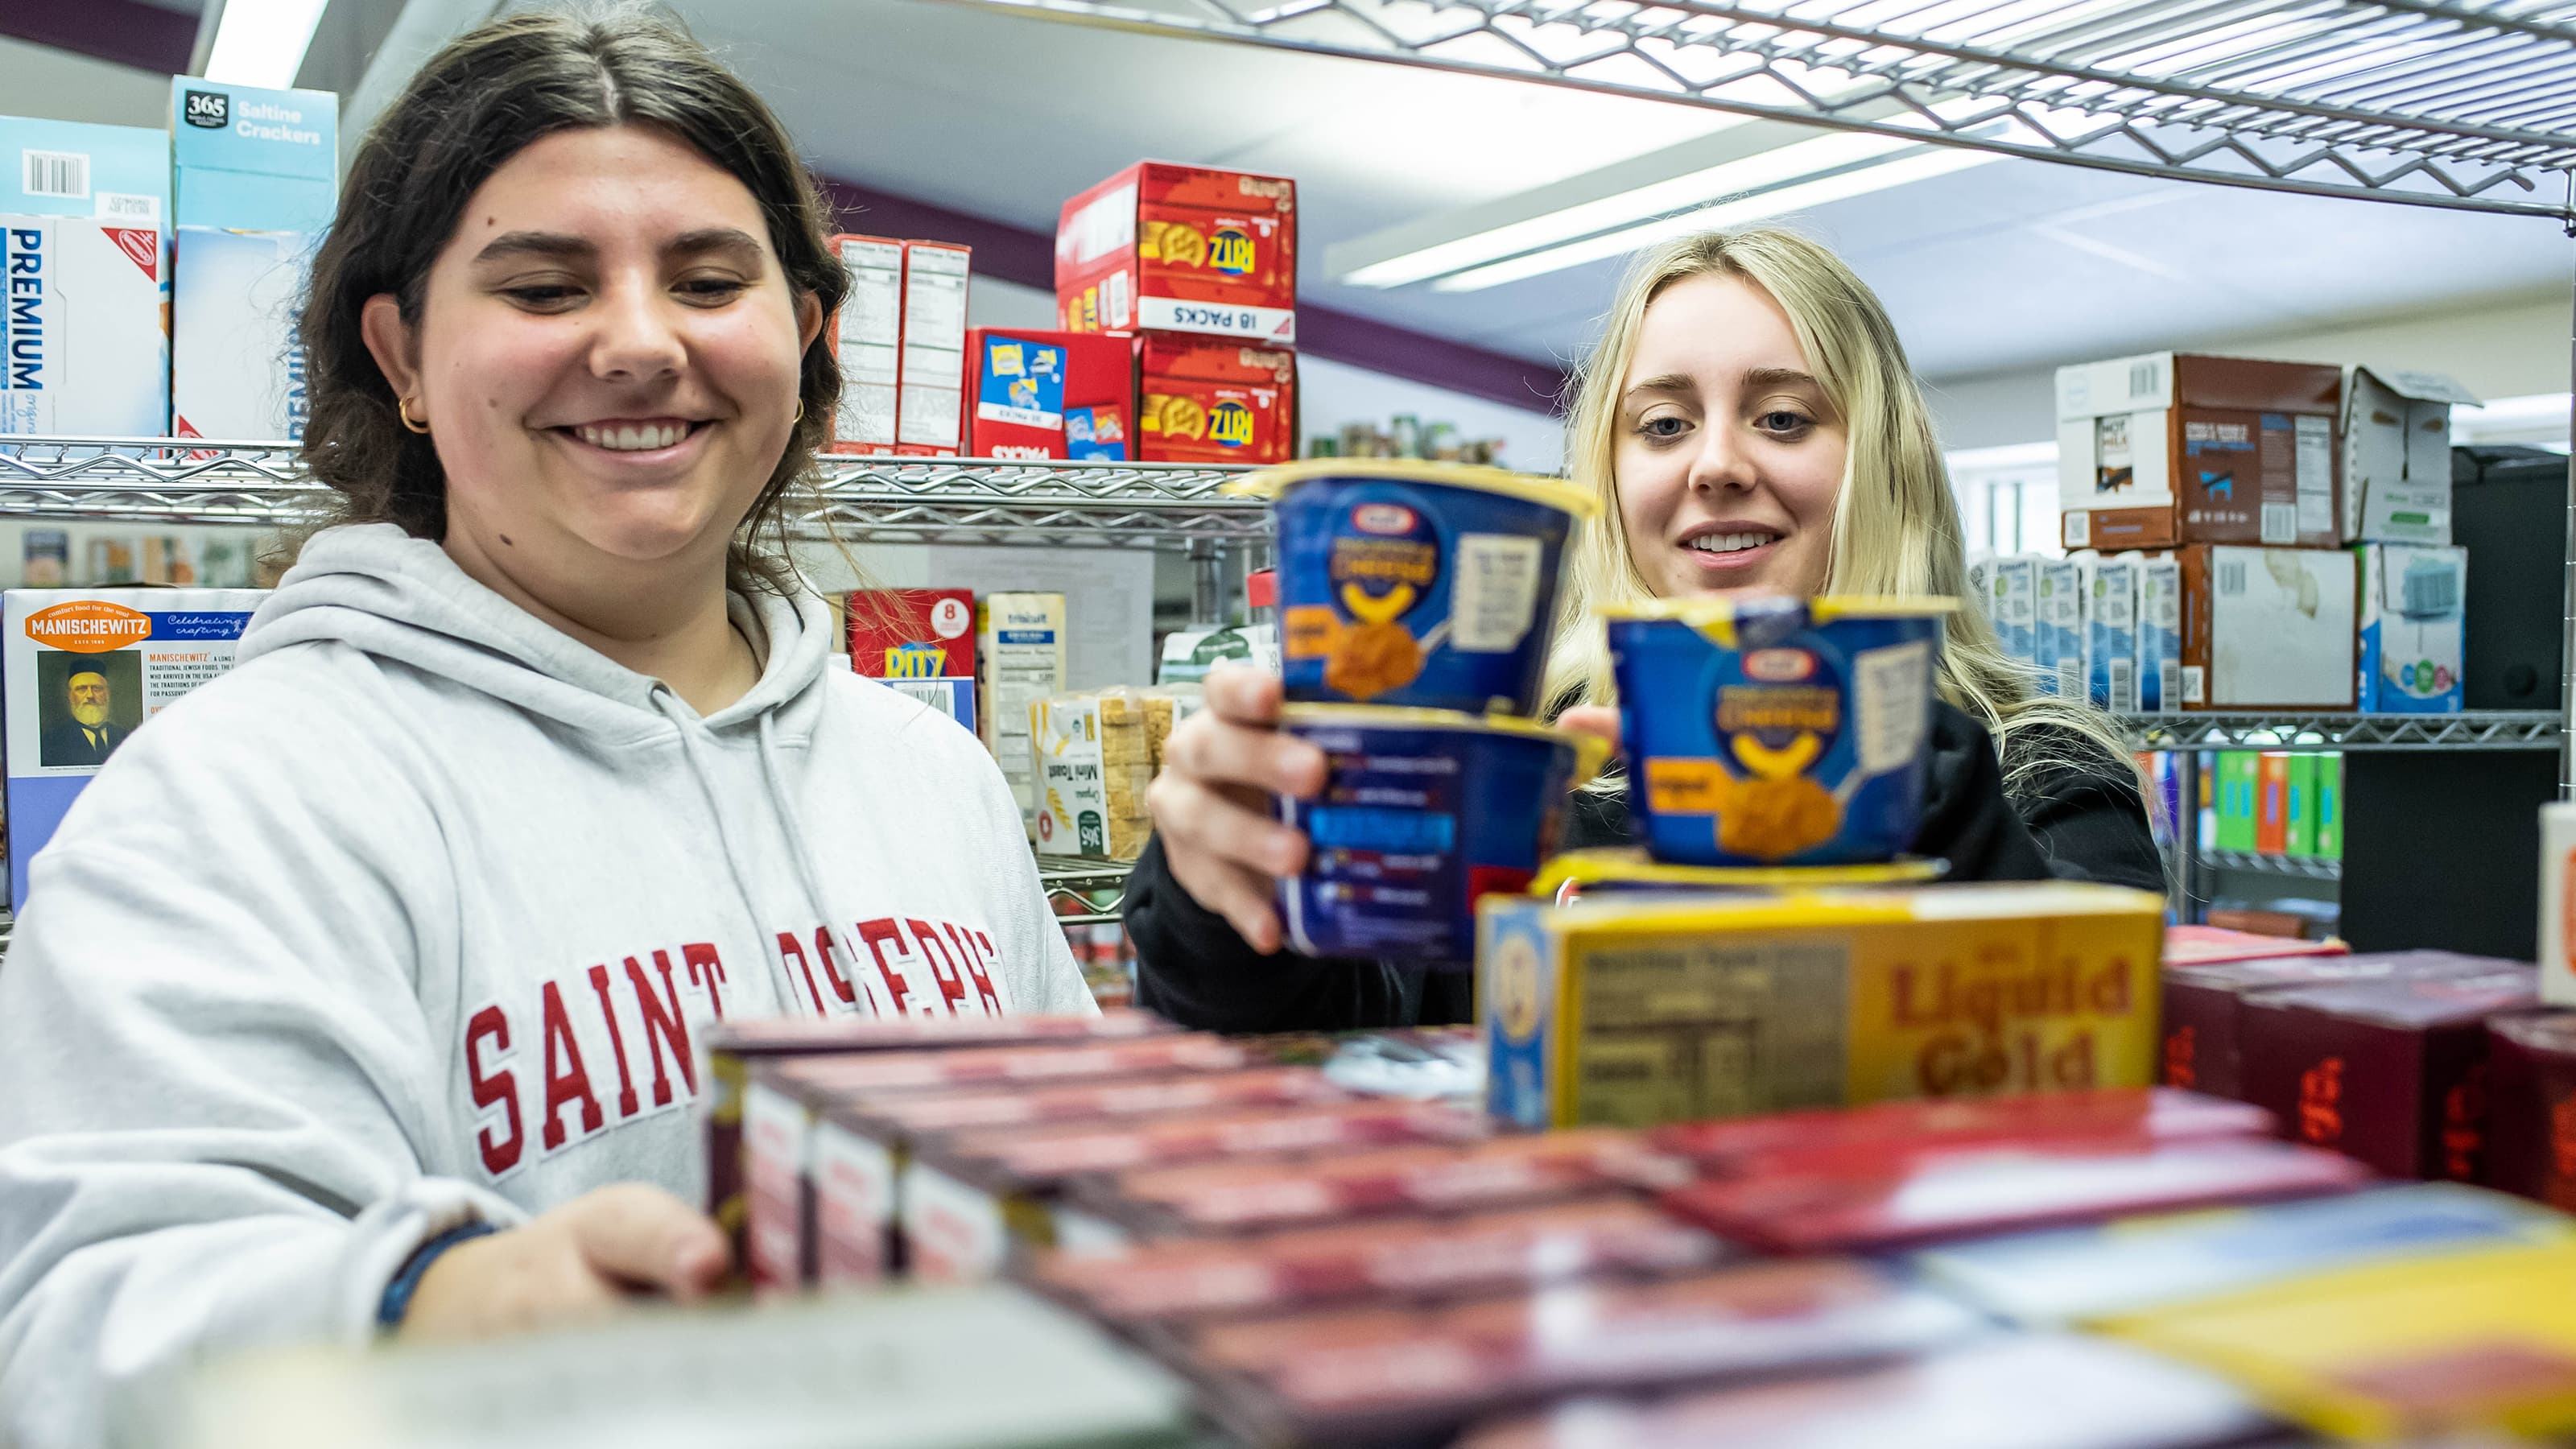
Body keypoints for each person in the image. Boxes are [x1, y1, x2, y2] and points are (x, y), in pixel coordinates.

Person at [0, 12, 1092, 1444]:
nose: (641, 345)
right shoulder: (237, 797)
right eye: (542, 286)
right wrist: (430, 1309)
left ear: (806, 338)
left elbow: (1079, 1194)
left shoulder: (933, 777)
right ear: (399, 352)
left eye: (709, 280)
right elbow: (75, 1332)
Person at [1129, 228, 2162, 1033]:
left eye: (1784, 417)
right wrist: (1222, 892)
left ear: (1881, 465)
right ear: (1608, 480)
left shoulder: (2040, 774)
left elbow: (2103, 1057)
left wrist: (1895, 775)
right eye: (1662, 424)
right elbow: (1321, 1045)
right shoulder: (1511, 764)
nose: (1714, 465)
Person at [39, 669, 125, 766]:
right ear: (70, 696)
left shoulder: (125, 736)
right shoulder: (52, 741)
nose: (90, 696)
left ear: (107, 694)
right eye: (81, 689)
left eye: (97, 688)